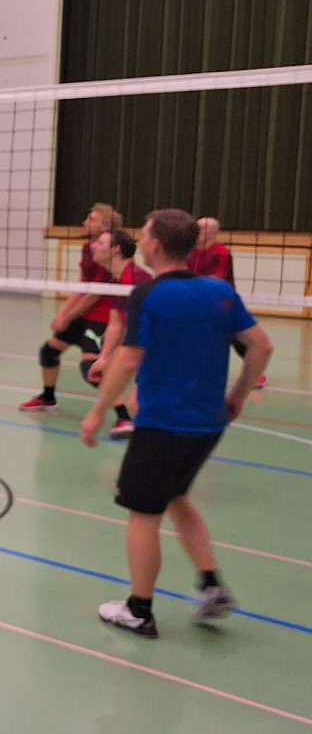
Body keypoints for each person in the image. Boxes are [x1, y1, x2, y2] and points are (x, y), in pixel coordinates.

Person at [82, 209, 272, 639]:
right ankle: (211, 585)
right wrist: (237, 396)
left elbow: (130, 359)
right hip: (207, 424)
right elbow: (261, 346)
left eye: (145, 234)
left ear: (154, 245)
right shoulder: (219, 290)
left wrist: (97, 411)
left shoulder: (148, 293)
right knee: (176, 497)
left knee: (143, 514)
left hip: (163, 424)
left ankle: (139, 610)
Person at [22, 202, 120, 411]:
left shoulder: (109, 252)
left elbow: (94, 294)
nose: (85, 222)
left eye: (91, 219)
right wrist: (62, 314)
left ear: (104, 227)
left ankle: (125, 416)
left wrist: (67, 317)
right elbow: (82, 287)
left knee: (91, 368)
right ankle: (48, 398)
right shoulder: (87, 247)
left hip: (103, 317)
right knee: (49, 351)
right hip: (85, 314)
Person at [84, 227, 149, 441]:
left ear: (115, 250)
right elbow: (116, 323)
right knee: (138, 401)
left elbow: (132, 326)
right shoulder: (115, 280)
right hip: (144, 343)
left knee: (140, 402)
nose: (93, 245)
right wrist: (103, 358)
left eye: (100, 243)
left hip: (160, 344)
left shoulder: (135, 278)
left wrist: (113, 358)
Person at [189, 217, 262, 387]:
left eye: (202, 229)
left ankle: (256, 374)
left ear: (212, 233)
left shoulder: (221, 252)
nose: (198, 232)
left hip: (221, 303)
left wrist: (187, 283)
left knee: (239, 340)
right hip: (194, 301)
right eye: (197, 228)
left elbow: (217, 279)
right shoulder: (189, 251)